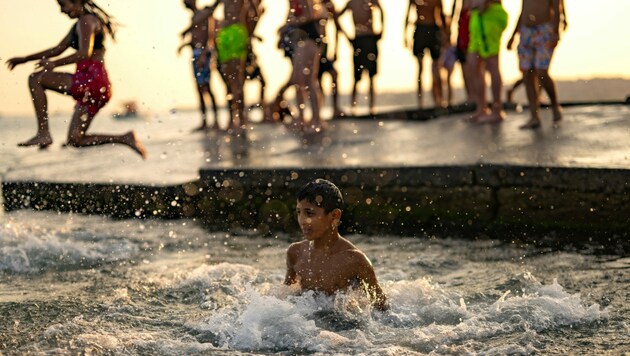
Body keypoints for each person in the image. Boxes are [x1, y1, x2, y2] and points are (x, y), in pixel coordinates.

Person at [6, 0, 146, 158]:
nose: (62, 11)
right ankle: (124, 138)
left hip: (91, 80)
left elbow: (84, 53)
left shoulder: (87, 21)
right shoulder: (80, 24)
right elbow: (57, 49)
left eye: (64, 5)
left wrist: (54, 64)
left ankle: (43, 133)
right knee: (75, 139)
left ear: (77, 1)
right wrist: (25, 59)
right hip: (98, 86)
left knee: (35, 79)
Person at [285, 179, 389, 311]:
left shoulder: (355, 260)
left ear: (334, 215)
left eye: (309, 213)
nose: (302, 220)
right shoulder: (295, 253)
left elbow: (381, 309)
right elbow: (285, 302)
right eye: (299, 212)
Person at [183, 0, 257, 136]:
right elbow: (210, 11)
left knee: (238, 81)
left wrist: (249, 33)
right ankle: (231, 120)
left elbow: (254, 12)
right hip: (224, 35)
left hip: (237, 31)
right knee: (228, 83)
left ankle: (241, 120)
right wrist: (189, 29)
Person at [507, 0, 563, 130]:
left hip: (544, 30)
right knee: (527, 74)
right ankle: (534, 116)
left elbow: (557, 9)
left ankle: (555, 105)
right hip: (526, 31)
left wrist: (555, 32)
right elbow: (523, 11)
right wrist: (513, 35)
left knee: (541, 71)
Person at [278, 0, 327, 134]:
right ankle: (301, 117)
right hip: (298, 41)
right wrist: (284, 28)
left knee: (309, 80)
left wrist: (291, 23)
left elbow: (310, 16)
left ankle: (316, 119)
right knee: (298, 81)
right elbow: (289, 16)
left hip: (309, 38)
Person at [179, 0, 220, 132]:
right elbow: (194, 39)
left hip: (204, 54)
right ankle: (204, 122)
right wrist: (184, 45)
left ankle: (216, 121)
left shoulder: (204, 13)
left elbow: (209, 36)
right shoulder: (194, 17)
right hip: (195, 54)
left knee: (207, 87)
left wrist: (204, 55)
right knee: (199, 89)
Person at [339, 0, 384, 116]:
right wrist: (346, 35)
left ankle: (371, 108)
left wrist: (382, 30)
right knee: (357, 76)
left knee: (371, 76)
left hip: (369, 39)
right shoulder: (352, 3)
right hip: (360, 40)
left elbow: (382, 10)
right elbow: (336, 17)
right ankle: (353, 108)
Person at [466, 0, 508, 123]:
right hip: (477, 17)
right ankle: (481, 108)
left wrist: (482, 4)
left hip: (491, 15)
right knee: (473, 65)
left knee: (492, 65)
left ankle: (497, 110)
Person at [405, 0, 448, 109]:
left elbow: (442, 15)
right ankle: (421, 102)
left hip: (432, 30)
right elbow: (407, 15)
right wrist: (405, 35)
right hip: (421, 30)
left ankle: (439, 99)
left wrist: (445, 35)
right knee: (421, 68)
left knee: (436, 68)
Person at [450, 0, 474, 104]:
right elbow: (455, 5)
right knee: (464, 60)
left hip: (470, 17)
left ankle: (474, 96)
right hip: (463, 18)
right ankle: (471, 96)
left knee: (472, 61)